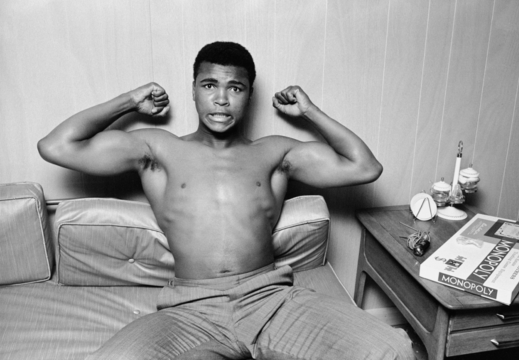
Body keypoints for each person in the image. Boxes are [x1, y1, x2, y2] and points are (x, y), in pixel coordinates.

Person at [38, 41, 414, 360]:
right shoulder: (157, 149)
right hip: (189, 308)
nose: (221, 99)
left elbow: (364, 167)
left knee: (392, 350)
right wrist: (129, 101)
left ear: (249, 95)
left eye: (235, 88)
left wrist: (310, 112)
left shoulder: (275, 152)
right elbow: (56, 146)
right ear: (194, 89)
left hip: (271, 300)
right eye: (209, 85)